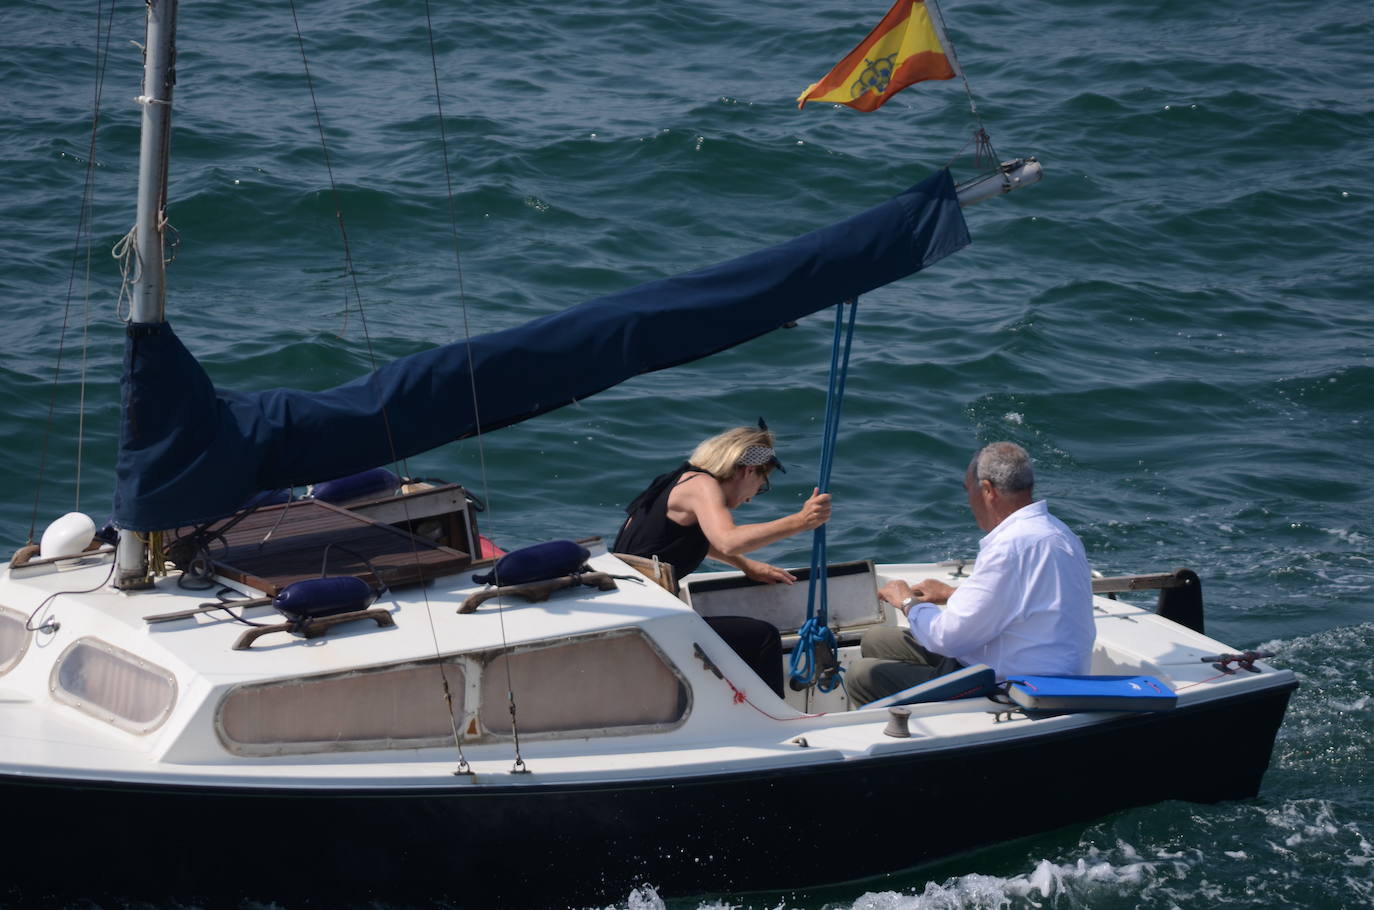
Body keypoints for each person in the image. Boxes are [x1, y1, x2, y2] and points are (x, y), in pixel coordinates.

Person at [847, 441, 1095, 706]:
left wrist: (908, 602)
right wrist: (952, 594)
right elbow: (1025, 597)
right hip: (1044, 667)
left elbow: (947, 638)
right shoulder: (1058, 533)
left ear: (987, 490)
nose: (969, 501)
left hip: (1009, 686)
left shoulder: (1009, 548)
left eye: (969, 491)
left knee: (861, 676)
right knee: (878, 639)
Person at [613, 426, 832, 697]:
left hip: (632, 610)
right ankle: (775, 725)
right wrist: (801, 521)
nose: (751, 497)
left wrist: (745, 565)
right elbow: (728, 539)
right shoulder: (702, 485)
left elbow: (687, 540)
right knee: (762, 637)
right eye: (761, 487)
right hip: (645, 623)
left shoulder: (678, 480)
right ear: (748, 470)